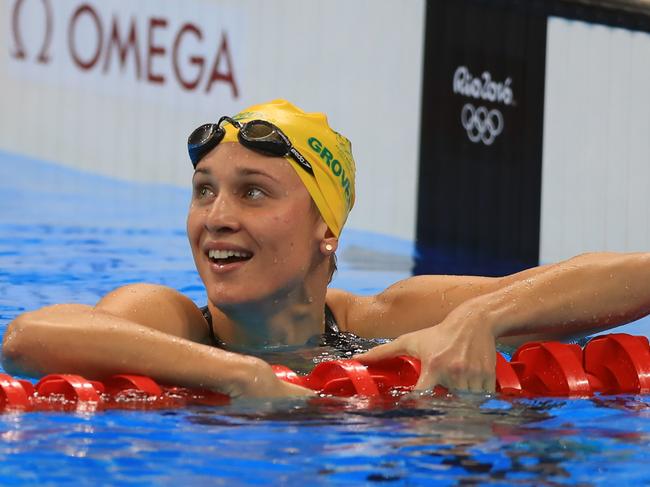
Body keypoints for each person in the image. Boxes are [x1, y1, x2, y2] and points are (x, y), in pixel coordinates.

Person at [3, 100, 650, 398]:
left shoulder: (375, 321)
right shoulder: (171, 321)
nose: (216, 218)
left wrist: (484, 318)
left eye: (252, 193)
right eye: (204, 191)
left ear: (326, 230)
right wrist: (241, 373)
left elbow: (629, 277)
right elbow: (29, 336)